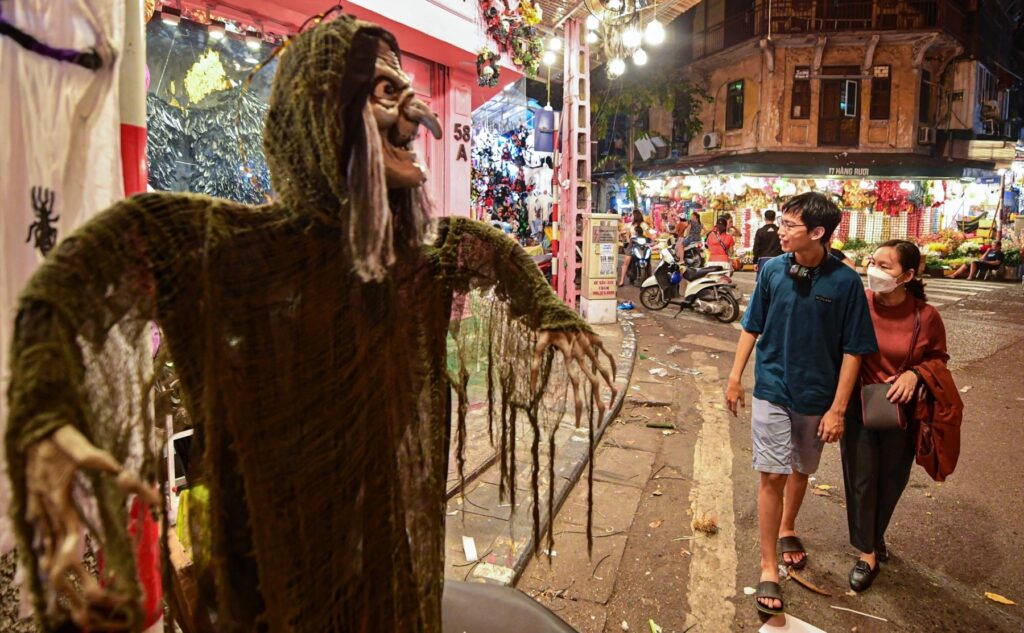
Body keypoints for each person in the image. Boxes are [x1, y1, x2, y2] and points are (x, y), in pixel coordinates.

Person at [6, 13, 616, 632]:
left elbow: (488, 249)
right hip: (273, 578)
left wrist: (546, 311)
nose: (416, 108)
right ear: (322, 116)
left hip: (385, 562)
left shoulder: (406, 263)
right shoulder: (228, 246)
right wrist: (45, 415)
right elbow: (66, 288)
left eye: (408, 87)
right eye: (384, 91)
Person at [725, 192, 878, 621]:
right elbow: (752, 325)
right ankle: (768, 566)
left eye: (790, 225)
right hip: (772, 387)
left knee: (802, 468)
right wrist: (736, 377)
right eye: (783, 223)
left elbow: (854, 350)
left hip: (817, 396)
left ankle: (789, 526)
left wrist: (837, 409)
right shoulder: (772, 270)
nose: (781, 231)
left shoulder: (846, 283)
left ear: (818, 232)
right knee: (771, 472)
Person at [841, 240, 952, 592]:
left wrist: (915, 374)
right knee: (861, 481)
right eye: (872, 261)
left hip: (901, 413)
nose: (874, 269)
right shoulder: (858, 303)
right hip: (859, 406)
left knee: (890, 481)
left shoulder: (926, 316)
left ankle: (875, 534)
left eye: (885, 266)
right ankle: (867, 552)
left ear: (907, 275)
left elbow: (938, 359)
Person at [618, 210, 650, 287]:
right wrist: (629, 241)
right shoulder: (629, 225)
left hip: (641, 243)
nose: (631, 217)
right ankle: (622, 280)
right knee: (626, 261)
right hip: (632, 243)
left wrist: (653, 236)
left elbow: (649, 232)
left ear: (636, 216)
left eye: (632, 215)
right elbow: (627, 235)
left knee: (648, 256)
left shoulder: (643, 224)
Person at [752, 209, 783, 274]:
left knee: (763, 281)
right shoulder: (779, 230)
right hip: (777, 259)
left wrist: (755, 262)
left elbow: (756, 248)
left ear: (765, 218)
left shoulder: (760, 231)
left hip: (763, 260)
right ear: (774, 218)